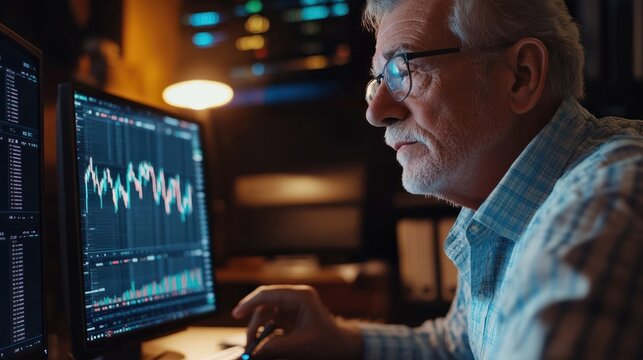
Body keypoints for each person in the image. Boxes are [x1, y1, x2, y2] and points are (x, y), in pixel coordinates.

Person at [232, 0, 643, 358]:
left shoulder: (601, 206)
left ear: (521, 75)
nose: (376, 112)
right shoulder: (499, 202)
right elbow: (460, 345)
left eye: (403, 69)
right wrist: (341, 339)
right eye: (378, 80)